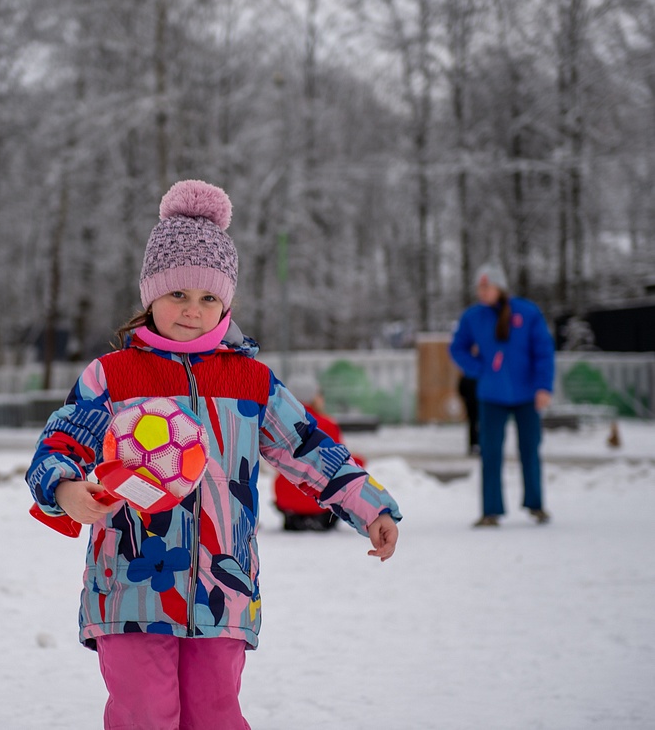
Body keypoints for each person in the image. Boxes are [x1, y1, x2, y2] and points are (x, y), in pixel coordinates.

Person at [26, 179, 402, 729]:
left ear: (226, 301)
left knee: (215, 714)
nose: (192, 310)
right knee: (145, 713)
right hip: (132, 585)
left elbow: (308, 447)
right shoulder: (113, 375)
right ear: (150, 293)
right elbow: (57, 445)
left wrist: (372, 506)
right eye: (178, 294)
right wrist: (64, 488)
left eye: (209, 298)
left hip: (222, 591)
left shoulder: (251, 382)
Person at [450, 262, 555, 527]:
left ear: (500, 286)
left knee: (530, 449)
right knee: (490, 452)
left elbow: (543, 352)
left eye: (487, 286)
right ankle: (491, 510)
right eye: (479, 287)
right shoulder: (473, 316)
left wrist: (544, 387)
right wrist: (479, 369)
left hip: (527, 394)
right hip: (491, 395)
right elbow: (458, 348)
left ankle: (536, 505)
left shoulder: (527, 312)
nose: (482, 292)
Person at [271, 374, 361, 531]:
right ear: (314, 397)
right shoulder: (327, 424)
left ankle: (294, 514)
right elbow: (340, 464)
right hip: (320, 502)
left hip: (286, 498)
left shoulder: (278, 424)